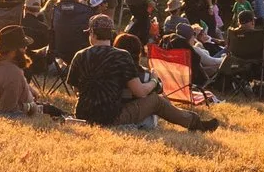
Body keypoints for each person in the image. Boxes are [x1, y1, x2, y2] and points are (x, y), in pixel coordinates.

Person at [65, 13, 217, 132]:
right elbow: (140, 92)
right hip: (111, 117)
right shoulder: (121, 55)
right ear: (111, 34)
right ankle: (195, 123)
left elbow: (76, 89)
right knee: (156, 100)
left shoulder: (80, 55)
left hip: (82, 114)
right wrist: (154, 81)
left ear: (92, 33)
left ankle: (194, 122)